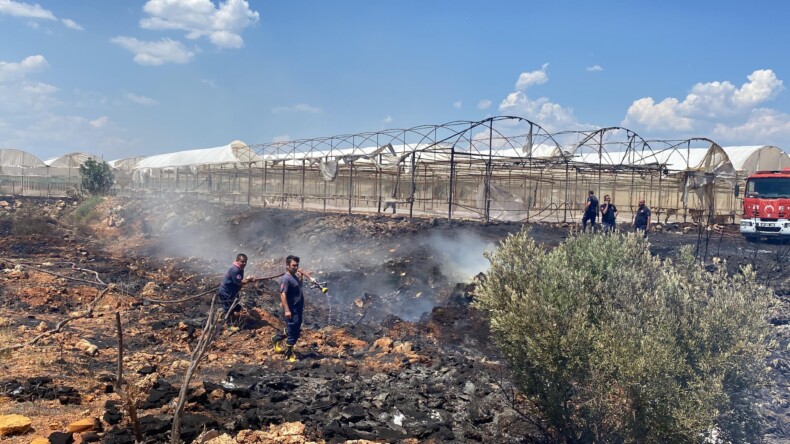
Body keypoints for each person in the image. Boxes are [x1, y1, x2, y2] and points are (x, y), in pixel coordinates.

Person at [271, 255, 317, 362]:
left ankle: (276, 338)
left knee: (295, 329)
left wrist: (300, 277)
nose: (296, 267)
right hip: (292, 309)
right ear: (287, 266)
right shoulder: (286, 279)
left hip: (298, 307)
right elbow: (283, 294)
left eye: (297, 265)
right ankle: (289, 354)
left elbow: (298, 287)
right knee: (294, 332)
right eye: (293, 265)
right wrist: (287, 310)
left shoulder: (294, 276)